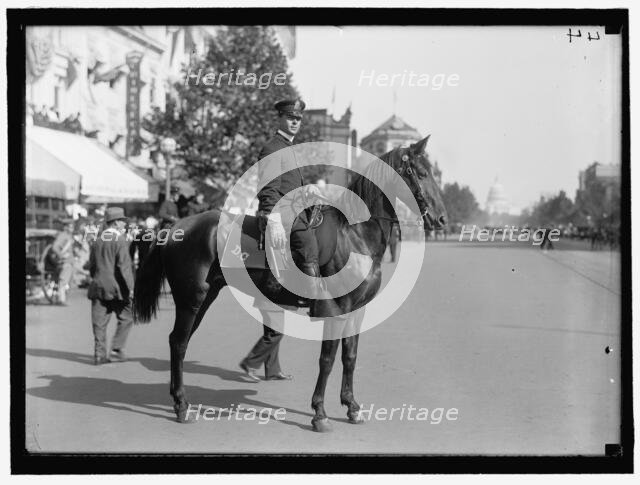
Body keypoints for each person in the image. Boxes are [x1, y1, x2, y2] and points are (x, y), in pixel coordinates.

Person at [239, 98, 321, 382]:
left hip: (292, 212)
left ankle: (271, 369)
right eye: (289, 117)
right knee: (310, 244)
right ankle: (316, 300)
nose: (294, 121)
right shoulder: (273, 148)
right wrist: (271, 215)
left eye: (297, 118)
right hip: (282, 218)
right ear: (279, 119)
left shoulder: (290, 149)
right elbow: (270, 188)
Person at [87, 207, 135, 365]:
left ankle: (99, 354)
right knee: (127, 317)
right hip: (116, 288)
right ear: (115, 223)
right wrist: (131, 288)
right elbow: (125, 268)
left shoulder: (97, 240)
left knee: (99, 322)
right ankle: (116, 349)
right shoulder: (120, 241)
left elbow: (92, 266)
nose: (124, 224)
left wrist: (96, 278)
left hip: (98, 286)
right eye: (122, 221)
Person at [50, 218, 77, 305]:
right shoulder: (63, 235)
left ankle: (62, 299)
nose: (72, 229)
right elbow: (55, 247)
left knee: (66, 282)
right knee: (63, 281)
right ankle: (61, 300)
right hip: (66, 262)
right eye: (71, 227)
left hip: (69, 262)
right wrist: (61, 256)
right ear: (66, 227)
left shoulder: (68, 236)